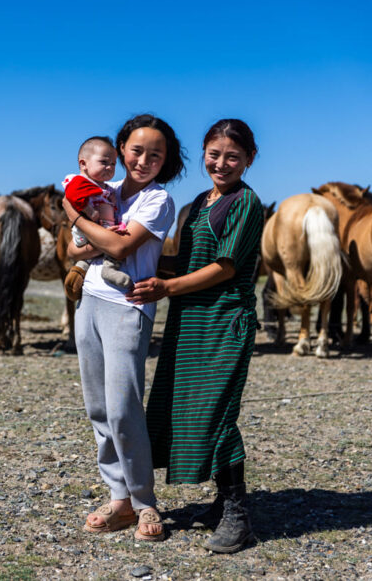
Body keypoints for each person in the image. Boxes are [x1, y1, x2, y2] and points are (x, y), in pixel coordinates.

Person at [127, 118, 265, 553]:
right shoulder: (200, 202)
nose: (221, 163)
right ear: (204, 152)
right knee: (191, 412)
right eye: (214, 154)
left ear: (249, 160)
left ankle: (239, 516)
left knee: (217, 414)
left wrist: (166, 288)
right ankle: (222, 502)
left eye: (232, 157)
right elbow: (185, 264)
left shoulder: (245, 203)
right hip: (191, 323)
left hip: (224, 322)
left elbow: (225, 267)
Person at [62, 114, 182, 541]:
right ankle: (119, 499)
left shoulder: (158, 199)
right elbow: (76, 250)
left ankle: (146, 501)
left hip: (128, 308)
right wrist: (85, 234)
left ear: (165, 161)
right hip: (90, 303)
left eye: (156, 154)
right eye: (136, 150)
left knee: (123, 406)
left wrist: (74, 217)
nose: (144, 160)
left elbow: (118, 244)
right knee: (97, 407)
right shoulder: (104, 189)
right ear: (120, 149)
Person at [62, 137, 131, 290]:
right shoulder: (79, 181)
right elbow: (72, 196)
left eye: (113, 164)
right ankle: (108, 269)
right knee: (110, 242)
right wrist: (89, 210)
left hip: (102, 228)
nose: (110, 167)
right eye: (104, 162)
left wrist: (111, 197)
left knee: (114, 239)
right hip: (87, 230)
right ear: (83, 164)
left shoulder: (104, 186)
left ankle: (95, 266)